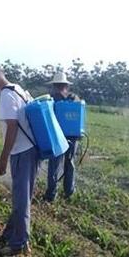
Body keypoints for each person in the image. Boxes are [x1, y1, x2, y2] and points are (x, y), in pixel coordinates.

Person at [0, 62, 39, 255]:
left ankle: (19, 244)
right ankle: (10, 233)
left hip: (22, 152)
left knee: (21, 200)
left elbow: (12, 127)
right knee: (21, 196)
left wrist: (3, 159)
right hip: (32, 149)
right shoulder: (18, 89)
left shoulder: (5, 95)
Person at [44, 72, 80, 202]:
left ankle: (51, 194)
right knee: (69, 163)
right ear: (66, 85)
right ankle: (69, 192)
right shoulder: (75, 98)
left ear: (55, 85)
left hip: (57, 136)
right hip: (73, 136)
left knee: (54, 164)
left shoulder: (52, 99)